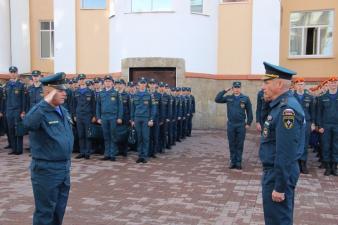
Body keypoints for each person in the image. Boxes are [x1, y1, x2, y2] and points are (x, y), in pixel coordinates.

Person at [23, 72, 74, 225]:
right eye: (60, 90)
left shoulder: (62, 110)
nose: (65, 93)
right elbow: (28, 124)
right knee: (45, 213)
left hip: (64, 168)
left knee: (58, 211)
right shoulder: (40, 111)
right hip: (46, 170)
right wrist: (45, 103)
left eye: (65, 89)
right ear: (48, 92)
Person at [259, 62, 305, 225]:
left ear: (279, 84)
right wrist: (266, 101)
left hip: (278, 173)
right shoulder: (278, 105)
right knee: (275, 219)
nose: (263, 86)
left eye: (267, 82)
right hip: (276, 172)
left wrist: (279, 186)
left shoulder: (287, 111)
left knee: (278, 221)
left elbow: (285, 152)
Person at [215, 81, 253, 169]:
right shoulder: (228, 98)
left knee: (240, 143)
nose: (236, 89)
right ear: (232, 88)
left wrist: (248, 123)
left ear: (240, 88)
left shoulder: (245, 98)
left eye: (238, 87)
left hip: (241, 125)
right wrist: (225, 90)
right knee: (232, 143)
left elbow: (249, 111)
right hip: (231, 124)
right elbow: (217, 99)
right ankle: (233, 161)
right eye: (235, 88)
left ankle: (239, 162)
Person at [96, 75, 123, 161]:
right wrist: (98, 117)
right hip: (104, 117)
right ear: (104, 83)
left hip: (113, 117)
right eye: (106, 81)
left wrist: (119, 117)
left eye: (109, 81)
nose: (107, 83)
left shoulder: (116, 93)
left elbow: (120, 106)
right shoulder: (101, 93)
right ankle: (106, 154)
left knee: (113, 136)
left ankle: (112, 154)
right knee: (106, 136)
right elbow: (98, 106)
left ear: (112, 83)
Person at [130, 77, 156, 163]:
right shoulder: (135, 95)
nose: (142, 84)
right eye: (141, 83)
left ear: (145, 84)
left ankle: (144, 156)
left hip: (146, 119)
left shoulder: (149, 95)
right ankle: (140, 155)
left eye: (144, 83)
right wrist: (132, 120)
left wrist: (151, 119)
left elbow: (153, 108)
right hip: (137, 119)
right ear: (138, 84)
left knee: (145, 137)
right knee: (139, 137)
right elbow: (132, 108)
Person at [293, 77, 315, 174]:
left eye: (302, 84)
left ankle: (303, 163)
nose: (300, 86)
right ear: (295, 86)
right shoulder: (291, 97)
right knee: (295, 142)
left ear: (304, 86)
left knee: (305, 143)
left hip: (306, 123)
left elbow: (313, 112)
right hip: (294, 123)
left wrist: (313, 123)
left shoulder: (309, 97)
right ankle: (296, 163)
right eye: (298, 84)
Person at [317, 76, 338, 176]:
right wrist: (320, 126)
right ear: (328, 84)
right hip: (326, 126)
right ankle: (328, 167)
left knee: (336, 146)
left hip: (337, 125)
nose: (333, 84)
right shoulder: (322, 97)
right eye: (331, 83)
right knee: (326, 146)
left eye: (335, 83)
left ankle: (334, 167)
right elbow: (319, 113)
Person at [73, 74, 96, 159]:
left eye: (83, 79)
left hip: (88, 116)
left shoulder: (90, 92)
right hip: (79, 115)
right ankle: (82, 152)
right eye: (80, 79)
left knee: (88, 134)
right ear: (78, 81)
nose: (81, 81)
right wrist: (74, 115)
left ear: (85, 80)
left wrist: (94, 116)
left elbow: (93, 105)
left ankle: (87, 152)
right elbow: (74, 105)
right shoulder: (76, 92)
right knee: (80, 134)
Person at [5, 66, 26, 155]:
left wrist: (23, 111)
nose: (13, 73)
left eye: (14, 72)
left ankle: (19, 149)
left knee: (18, 129)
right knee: (10, 130)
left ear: (17, 73)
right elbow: (4, 99)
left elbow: (23, 99)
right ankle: (13, 149)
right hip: (9, 110)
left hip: (18, 110)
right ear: (9, 73)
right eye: (11, 72)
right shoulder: (7, 85)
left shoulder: (21, 85)